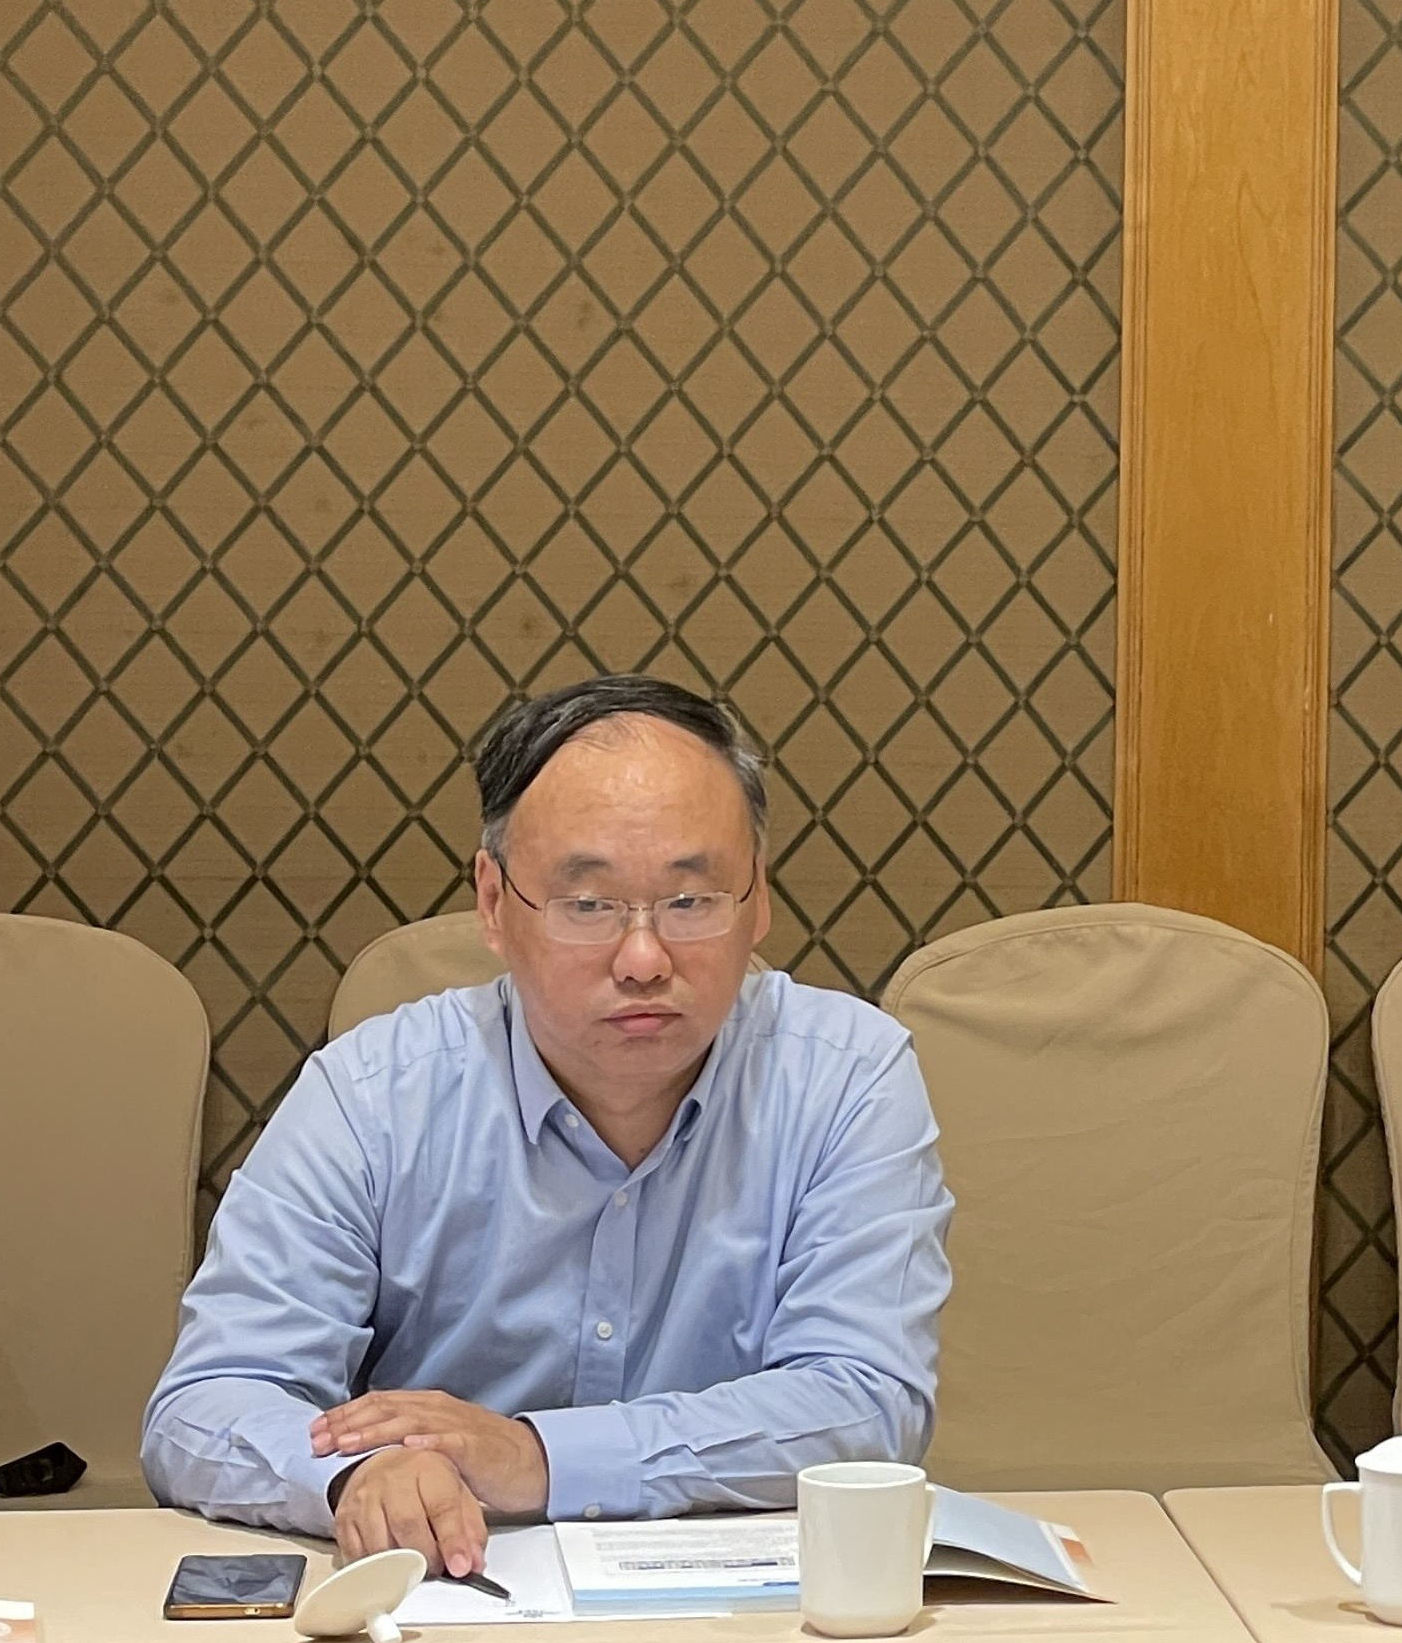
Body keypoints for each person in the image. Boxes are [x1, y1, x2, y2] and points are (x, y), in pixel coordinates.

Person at [143, 675, 953, 1577]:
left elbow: (867, 1403)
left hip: (745, 1614)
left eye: (690, 902)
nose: (643, 959)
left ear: (757, 900)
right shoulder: (371, 1095)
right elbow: (206, 1405)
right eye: (588, 905)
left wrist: (539, 1457)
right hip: (452, 1595)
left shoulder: (847, 1077)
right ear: (493, 903)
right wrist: (357, 1476)